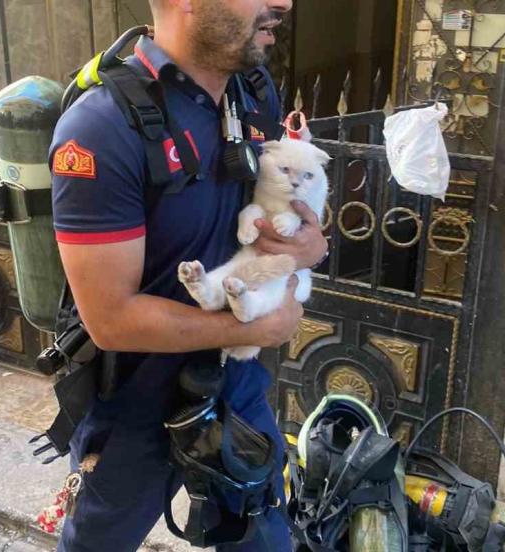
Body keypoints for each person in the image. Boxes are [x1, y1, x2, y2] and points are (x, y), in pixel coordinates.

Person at [50, 0, 328, 550]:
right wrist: (254, 330)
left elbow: (278, 204)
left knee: (266, 539)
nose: (284, 4)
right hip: (136, 401)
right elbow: (111, 319)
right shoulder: (100, 129)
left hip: (235, 385)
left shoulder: (254, 94)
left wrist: (311, 245)